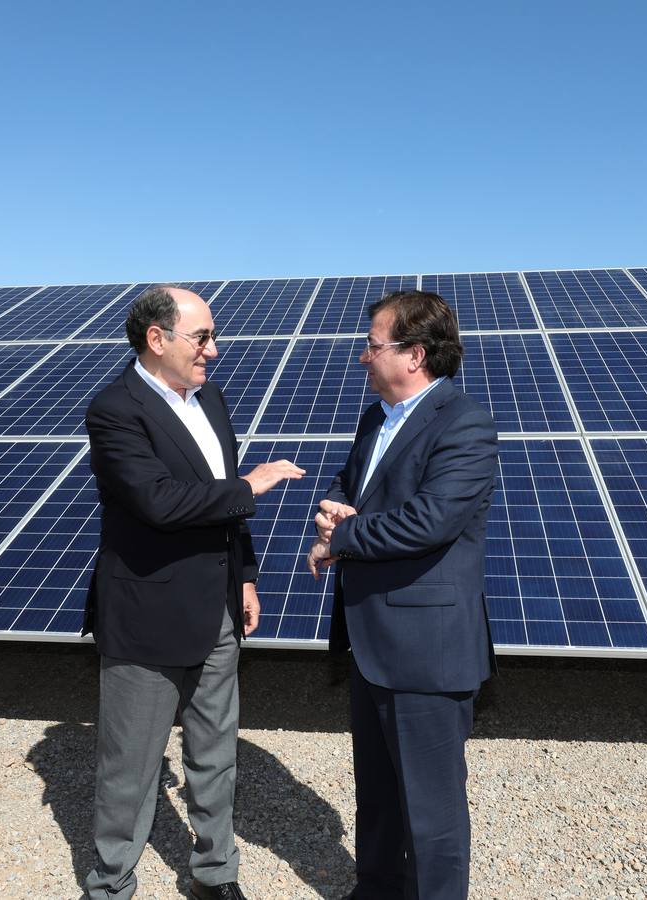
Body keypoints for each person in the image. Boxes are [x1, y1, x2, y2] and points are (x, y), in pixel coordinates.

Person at [83, 285, 305, 900]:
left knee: (215, 754)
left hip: (220, 608)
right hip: (149, 614)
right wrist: (249, 486)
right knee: (130, 767)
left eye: (212, 336)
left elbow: (221, 513)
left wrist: (246, 575)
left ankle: (215, 874)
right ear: (157, 340)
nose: (214, 349)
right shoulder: (116, 409)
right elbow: (156, 500)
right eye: (202, 337)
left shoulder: (209, 398)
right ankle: (109, 885)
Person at [307, 290, 498, 900]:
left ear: (414, 354)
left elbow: (432, 519)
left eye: (372, 344)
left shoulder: (463, 421)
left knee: (432, 814)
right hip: (371, 642)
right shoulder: (376, 419)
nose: (363, 356)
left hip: (426, 648)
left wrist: (343, 538)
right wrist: (336, 506)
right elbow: (353, 481)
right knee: (380, 796)